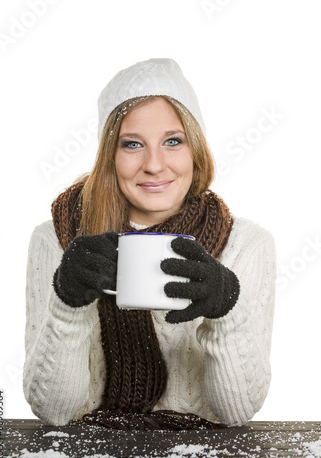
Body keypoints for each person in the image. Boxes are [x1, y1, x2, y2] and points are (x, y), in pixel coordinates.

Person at [23, 58, 276, 430]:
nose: (154, 165)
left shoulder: (247, 245)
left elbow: (237, 413)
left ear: (196, 151)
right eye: (132, 144)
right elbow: (53, 411)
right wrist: (67, 303)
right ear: (110, 155)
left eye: (173, 141)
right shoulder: (54, 240)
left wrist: (227, 311)